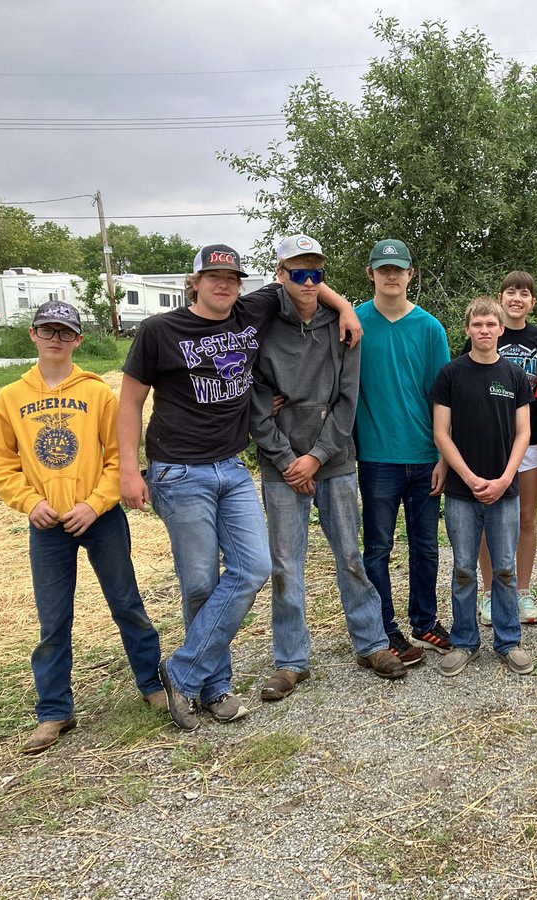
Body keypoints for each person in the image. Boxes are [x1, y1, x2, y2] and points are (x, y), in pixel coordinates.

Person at [119, 243, 361, 730]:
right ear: (194, 282)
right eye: (213, 277)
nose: (223, 284)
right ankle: (214, 686)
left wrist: (347, 307)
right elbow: (129, 403)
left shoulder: (252, 308)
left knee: (252, 568)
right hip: (178, 470)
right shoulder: (158, 331)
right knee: (200, 582)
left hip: (230, 468)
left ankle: (182, 670)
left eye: (231, 276)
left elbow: (304, 278)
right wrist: (129, 469)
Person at [0, 300, 164, 754]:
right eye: (48, 330)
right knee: (53, 618)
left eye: (66, 332)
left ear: (78, 340)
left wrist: (96, 502)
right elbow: (1, 461)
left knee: (127, 603)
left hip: (100, 519)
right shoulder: (11, 398)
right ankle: (54, 711)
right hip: (47, 524)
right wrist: (29, 502)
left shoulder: (98, 393)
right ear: (33, 334)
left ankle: (152, 683)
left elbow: (117, 455)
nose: (56, 339)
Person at [249, 235, 406, 696]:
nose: (308, 281)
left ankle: (371, 642)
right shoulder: (259, 324)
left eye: (316, 272)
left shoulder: (344, 326)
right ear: (280, 275)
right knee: (285, 564)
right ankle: (292, 660)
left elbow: (347, 399)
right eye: (298, 272)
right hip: (282, 466)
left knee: (350, 555)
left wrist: (316, 457)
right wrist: (286, 460)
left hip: (334, 462)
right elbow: (256, 399)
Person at [355, 239, 452, 665]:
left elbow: (443, 399)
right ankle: (383, 629)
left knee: (426, 546)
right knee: (377, 547)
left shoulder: (430, 328)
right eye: (383, 269)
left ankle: (424, 620)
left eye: (399, 269)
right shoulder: (354, 323)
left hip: (425, 455)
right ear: (371, 273)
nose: (391, 276)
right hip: (376, 456)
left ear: (411, 274)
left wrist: (445, 456)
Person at [432, 297, 534, 676]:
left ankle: (509, 641)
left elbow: (524, 434)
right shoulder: (451, 374)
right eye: (478, 325)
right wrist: (470, 478)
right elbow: (441, 433)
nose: (485, 331)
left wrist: (506, 477)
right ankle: (464, 641)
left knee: (505, 568)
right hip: (462, 491)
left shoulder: (515, 376)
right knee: (462, 568)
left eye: (491, 324)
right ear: (468, 330)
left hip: (505, 489)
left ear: (501, 329)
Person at [464, 271, 537, 628]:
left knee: (526, 518)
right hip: (488, 443)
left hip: (530, 440)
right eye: (510, 292)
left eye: (524, 293)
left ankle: (522, 590)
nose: (517, 298)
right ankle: (489, 593)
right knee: (489, 519)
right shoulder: (485, 332)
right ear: (500, 298)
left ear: (533, 302)